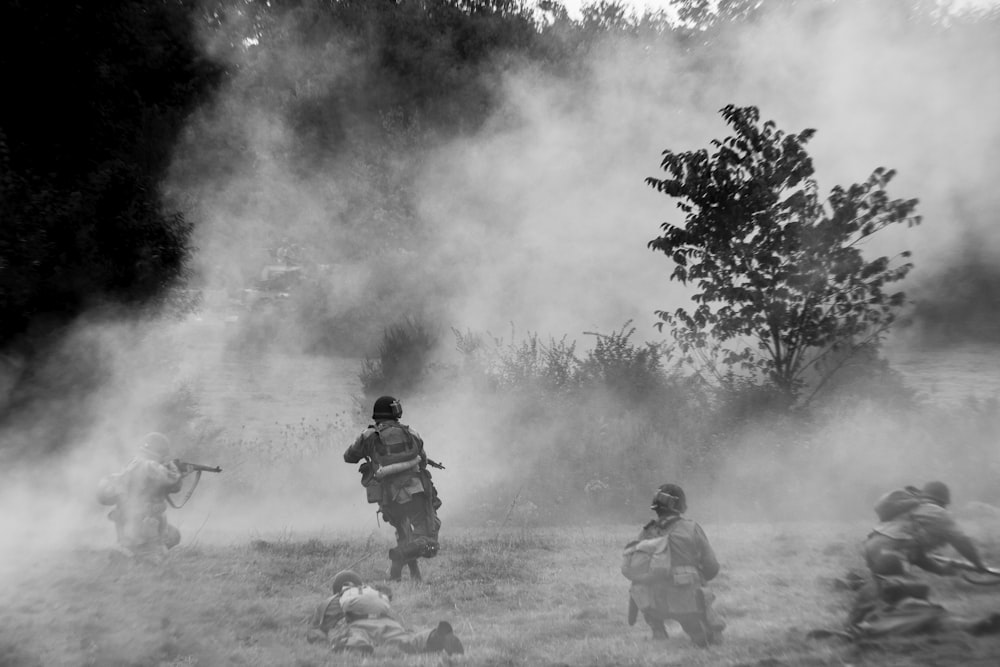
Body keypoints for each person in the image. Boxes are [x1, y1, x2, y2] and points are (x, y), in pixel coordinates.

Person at [343, 396, 442, 581]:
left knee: (404, 532)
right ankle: (399, 554)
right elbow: (423, 458)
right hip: (416, 492)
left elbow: (349, 456)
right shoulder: (411, 433)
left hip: (387, 497)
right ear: (394, 412)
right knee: (429, 542)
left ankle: (403, 575)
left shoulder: (368, 435)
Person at [625, 483, 726, 647]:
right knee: (701, 632)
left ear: (656, 507)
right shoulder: (691, 528)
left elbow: (636, 569)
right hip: (686, 599)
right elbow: (712, 567)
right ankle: (703, 632)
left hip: (653, 603)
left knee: (643, 586)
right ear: (680, 505)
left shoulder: (646, 532)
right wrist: (699, 579)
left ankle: (658, 631)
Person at [306, 569, 464, 656]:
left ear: (338, 588)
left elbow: (321, 627)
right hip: (387, 622)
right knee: (406, 640)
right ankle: (435, 636)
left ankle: (358, 644)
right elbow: (387, 607)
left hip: (359, 625)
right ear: (358, 583)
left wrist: (321, 637)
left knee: (350, 634)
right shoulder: (372, 592)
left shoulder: (335, 599)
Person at [863, 481, 990, 577]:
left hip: (871, 547)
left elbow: (917, 557)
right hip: (891, 552)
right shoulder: (937, 512)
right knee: (906, 591)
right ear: (943, 502)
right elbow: (961, 541)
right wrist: (979, 564)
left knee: (884, 589)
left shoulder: (912, 507)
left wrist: (942, 570)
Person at [96, 432, 184, 563]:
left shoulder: (136, 463)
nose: (165, 457)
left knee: (173, 535)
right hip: (141, 522)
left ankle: (128, 549)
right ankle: (131, 552)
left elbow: (171, 487)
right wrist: (176, 469)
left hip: (133, 521)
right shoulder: (148, 465)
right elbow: (171, 479)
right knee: (155, 559)